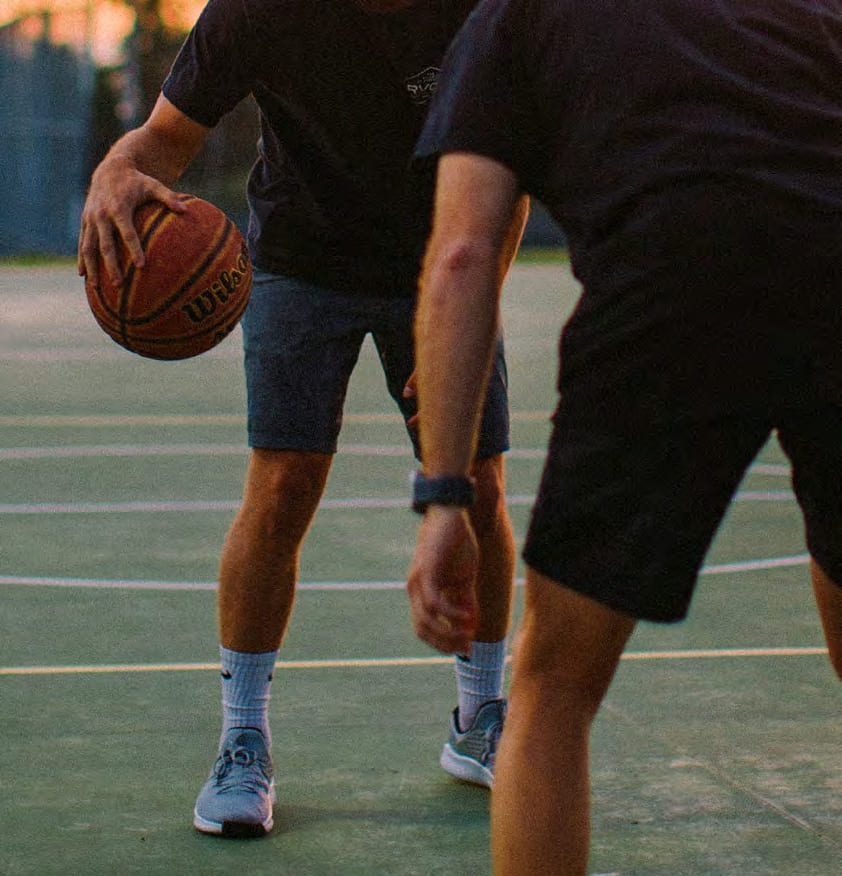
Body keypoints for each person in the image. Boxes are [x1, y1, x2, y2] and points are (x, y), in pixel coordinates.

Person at [405, 0, 842, 872]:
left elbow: (461, 255)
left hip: (677, 280)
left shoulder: (511, 21)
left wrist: (445, 495)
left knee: (553, 686)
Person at [78, 0, 528, 839]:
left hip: (443, 257)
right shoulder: (258, 9)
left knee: (478, 483)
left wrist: (466, 319)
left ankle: (482, 720)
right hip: (299, 258)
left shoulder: (477, 13)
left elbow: (510, 177)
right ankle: (242, 738)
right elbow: (163, 141)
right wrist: (116, 167)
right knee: (284, 483)